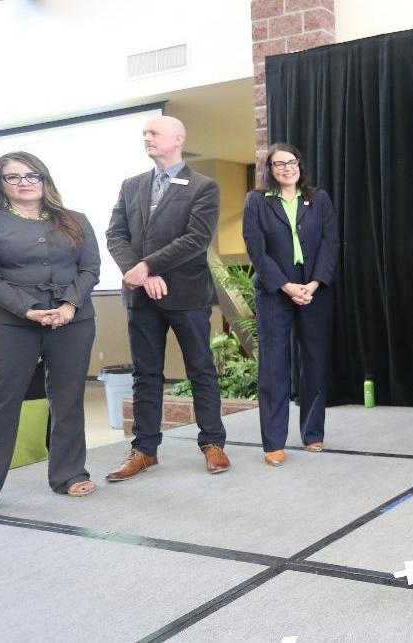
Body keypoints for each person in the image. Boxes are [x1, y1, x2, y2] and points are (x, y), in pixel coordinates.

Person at [105, 115, 231, 480]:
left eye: (154, 133)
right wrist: (142, 273)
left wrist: (145, 266)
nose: (146, 137)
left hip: (188, 295)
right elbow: (115, 234)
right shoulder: (131, 185)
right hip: (142, 298)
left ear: (177, 139)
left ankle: (213, 444)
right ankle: (144, 450)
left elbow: (196, 239)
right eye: (144, 133)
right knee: (146, 375)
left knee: (201, 370)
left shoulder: (203, 187)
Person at [0, 152, 100, 503]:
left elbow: (90, 270)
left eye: (32, 174)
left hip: (74, 320)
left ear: (45, 179)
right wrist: (29, 311)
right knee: (3, 401)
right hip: (12, 324)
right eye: (13, 177)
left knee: (68, 399)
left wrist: (70, 304)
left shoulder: (75, 220)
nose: (24, 182)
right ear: (1, 184)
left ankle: (69, 475)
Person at [242, 143, 338, 467]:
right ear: (269, 169)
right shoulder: (256, 201)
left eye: (292, 162)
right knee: (274, 366)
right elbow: (256, 249)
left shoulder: (319, 198)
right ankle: (273, 442)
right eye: (279, 164)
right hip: (274, 291)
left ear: (300, 165)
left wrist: (312, 284)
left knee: (313, 362)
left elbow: (330, 242)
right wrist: (285, 285)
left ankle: (313, 434)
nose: (287, 168)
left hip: (314, 290)